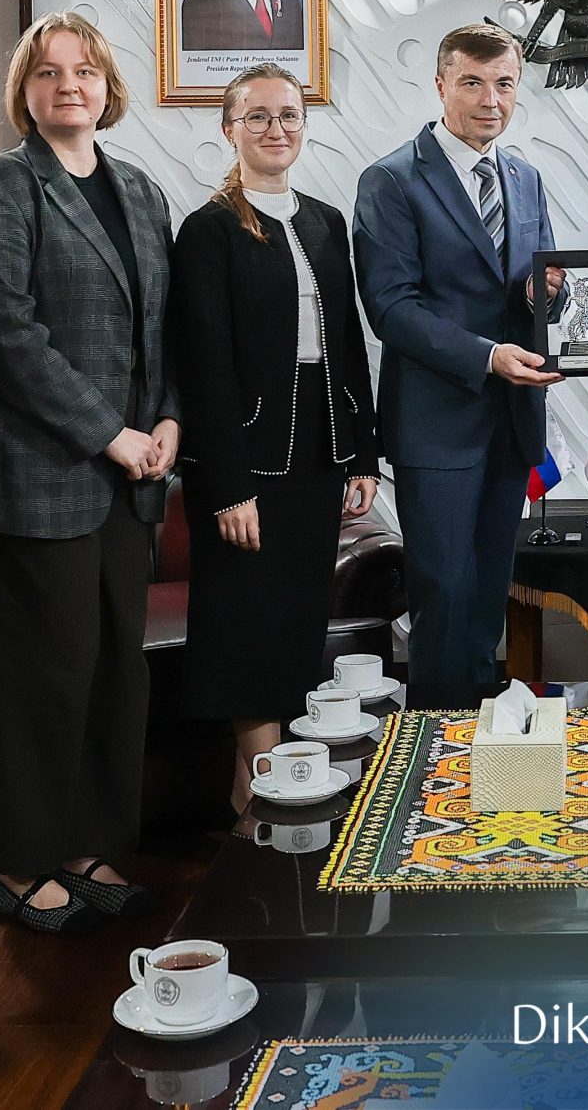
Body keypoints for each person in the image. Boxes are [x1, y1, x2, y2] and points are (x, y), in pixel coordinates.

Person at [0, 13, 178, 934]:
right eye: (47, 72)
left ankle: (87, 848)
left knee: (113, 669)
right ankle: (20, 862)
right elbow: (7, 336)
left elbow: (161, 327)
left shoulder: (141, 190)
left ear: (107, 84)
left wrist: (167, 419)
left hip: (130, 477)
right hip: (33, 472)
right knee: (36, 676)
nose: (68, 85)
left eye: (84, 70)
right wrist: (110, 433)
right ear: (26, 91)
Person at [170, 64, 381, 806]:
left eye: (288, 115)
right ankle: (261, 798)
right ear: (230, 128)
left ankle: (261, 796)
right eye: (257, 116)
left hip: (320, 454)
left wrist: (363, 453)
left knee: (295, 622)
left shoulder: (325, 221)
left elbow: (347, 344)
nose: (275, 129)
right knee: (246, 625)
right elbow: (203, 366)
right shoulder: (208, 230)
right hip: (246, 461)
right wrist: (227, 486)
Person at [352, 23, 561, 707]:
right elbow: (392, 308)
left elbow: (538, 291)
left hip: (512, 421)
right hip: (437, 426)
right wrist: (488, 356)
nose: (490, 100)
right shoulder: (391, 180)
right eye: (472, 82)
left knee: (486, 599)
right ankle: (436, 749)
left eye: (504, 84)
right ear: (441, 84)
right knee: (442, 596)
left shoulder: (525, 177)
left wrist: (545, 299)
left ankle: (480, 744)